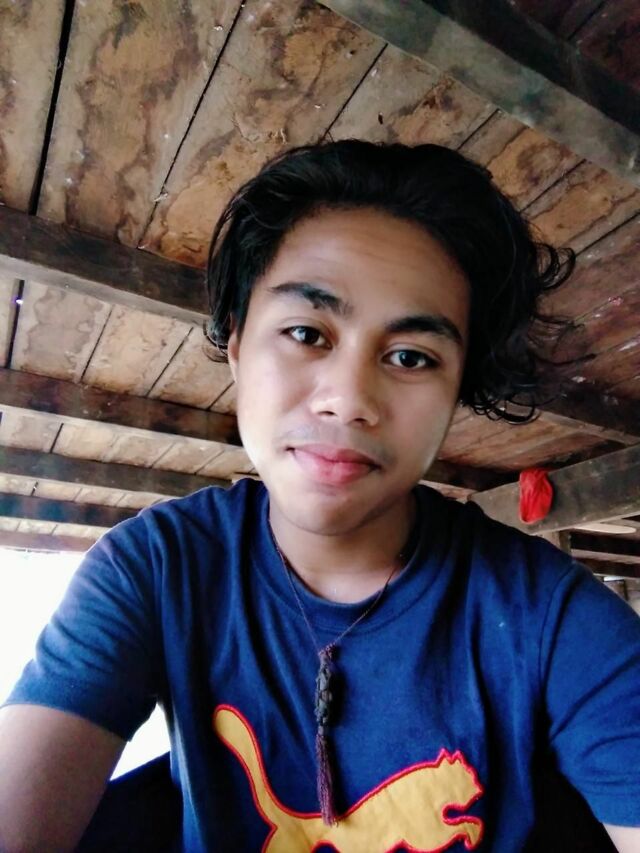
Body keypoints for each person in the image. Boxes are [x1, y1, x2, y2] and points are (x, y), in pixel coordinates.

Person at [0, 140, 639, 852]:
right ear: (237, 344)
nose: (349, 399)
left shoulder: (549, 616)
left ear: (456, 388)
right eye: (307, 333)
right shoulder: (156, 568)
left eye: (411, 357)